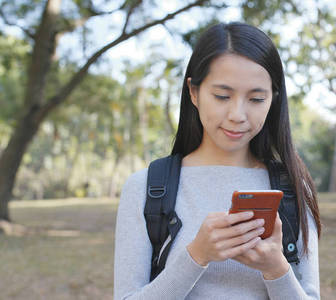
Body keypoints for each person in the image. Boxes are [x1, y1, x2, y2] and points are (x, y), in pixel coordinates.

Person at [114, 22, 321, 299]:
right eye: (222, 96)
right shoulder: (146, 188)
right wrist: (196, 256)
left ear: (273, 99)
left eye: (256, 99)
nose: (237, 114)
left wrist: (276, 269)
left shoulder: (293, 189)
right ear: (194, 92)